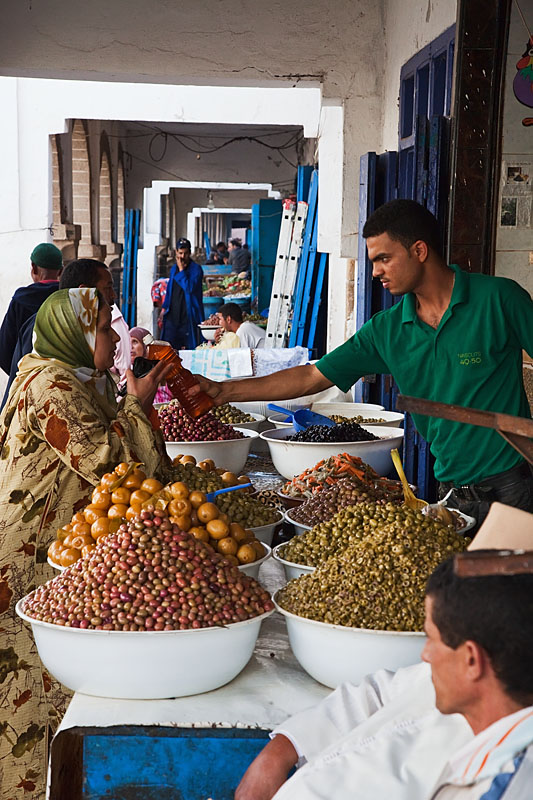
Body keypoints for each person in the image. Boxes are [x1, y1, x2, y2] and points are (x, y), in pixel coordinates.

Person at [190, 200, 533, 524]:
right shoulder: (387, 330)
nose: (374, 272)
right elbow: (312, 377)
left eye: (383, 258)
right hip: (450, 491)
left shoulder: (499, 300)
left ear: (419, 250)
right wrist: (223, 391)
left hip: (513, 488)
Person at [0, 288, 172, 799]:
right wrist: (137, 404)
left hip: (52, 546)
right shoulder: (51, 384)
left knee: (50, 687)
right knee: (28, 692)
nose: (113, 338)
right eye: (101, 330)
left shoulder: (72, 377)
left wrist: (130, 399)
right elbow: (107, 463)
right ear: (72, 335)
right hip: (26, 558)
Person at [236, 544, 533, 800]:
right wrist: (280, 752)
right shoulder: (462, 684)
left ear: (471, 660)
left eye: (431, 638)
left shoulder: (501, 785)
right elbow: (377, 693)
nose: (424, 654)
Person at [1, 259, 123, 407]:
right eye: (108, 288)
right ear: (83, 293)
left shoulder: (83, 376)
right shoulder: (56, 388)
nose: (113, 295)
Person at [0, 243, 63, 375]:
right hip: (63, 376)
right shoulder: (67, 297)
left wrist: (20, 375)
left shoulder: (21, 300)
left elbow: (4, 350)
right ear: (61, 271)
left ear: (33, 268)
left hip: (26, 376)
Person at [161, 238, 204, 350]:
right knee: (169, 348)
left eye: (185, 253)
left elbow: (189, 288)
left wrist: (181, 271)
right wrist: (164, 308)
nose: (182, 257)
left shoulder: (196, 269)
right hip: (172, 315)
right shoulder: (173, 269)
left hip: (188, 315)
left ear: (189, 253)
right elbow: (170, 289)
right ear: (176, 252)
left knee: (191, 347)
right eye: (180, 253)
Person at [129, 325, 172, 404]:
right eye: (128, 342)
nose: (130, 347)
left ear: (146, 346)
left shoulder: (161, 370)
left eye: (135, 342)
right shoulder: (128, 375)